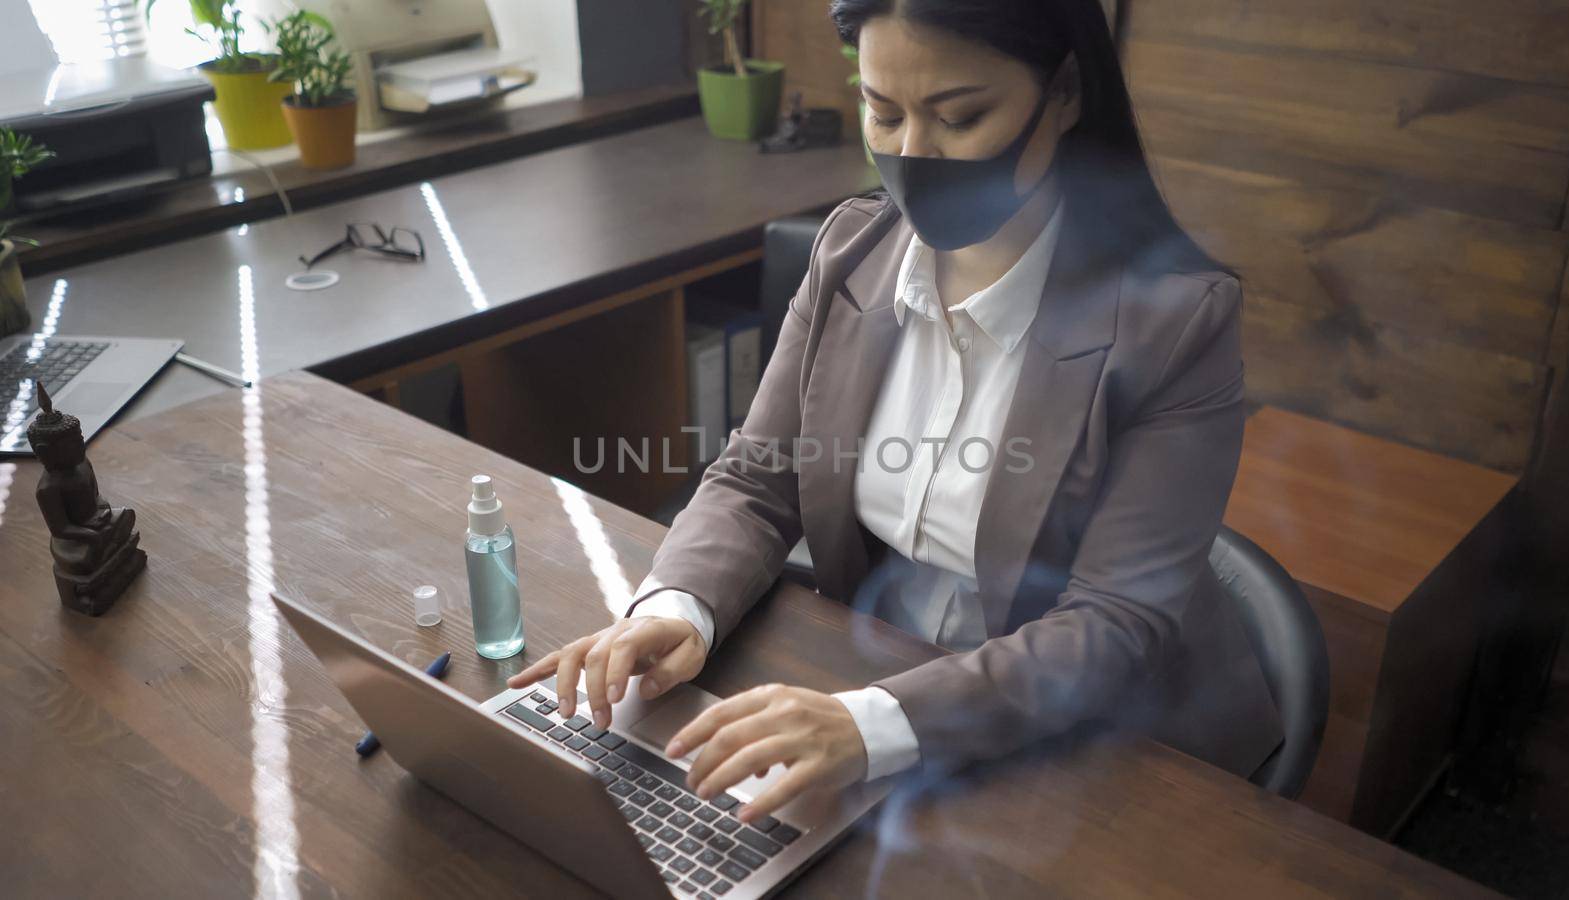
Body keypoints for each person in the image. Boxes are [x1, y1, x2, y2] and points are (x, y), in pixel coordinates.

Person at [509, 0, 1283, 824]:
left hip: (1111, 744)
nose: (914, 157)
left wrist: (871, 722)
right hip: (879, 679)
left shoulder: (1173, 323)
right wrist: (677, 606)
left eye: (960, 117)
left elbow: (1115, 625)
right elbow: (757, 479)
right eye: (883, 111)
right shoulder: (852, 252)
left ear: (1064, 91)